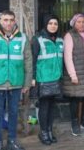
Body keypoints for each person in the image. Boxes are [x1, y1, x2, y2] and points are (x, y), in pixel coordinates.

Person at [0, 10, 32, 150]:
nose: (8, 23)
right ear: (0, 20)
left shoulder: (23, 38)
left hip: (16, 83)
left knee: (14, 113)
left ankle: (12, 140)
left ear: (15, 20)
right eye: (5, 20)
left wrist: (27, 82)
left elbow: (28, 61)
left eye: (11, 20)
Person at [31, 15, 63, 145]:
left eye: (55, 23)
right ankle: (43, 132)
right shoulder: (37, 39)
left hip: (56, 78)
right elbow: (32, 60)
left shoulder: (60, 40)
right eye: (50, 23)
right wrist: (32, 78)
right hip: (42, 79)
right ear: (45, 24)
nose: (53, 25)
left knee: (52, 107)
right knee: (44, 107)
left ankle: (49, 131)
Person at [62, 13, 84, 136]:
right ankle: (75, 123)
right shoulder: (69, 36)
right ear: (73, 23)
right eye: (79, 22)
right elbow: (67, 57)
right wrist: (72, 75)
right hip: (76, 73)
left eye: (83, 22)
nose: (81, 24)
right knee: (75, 100)